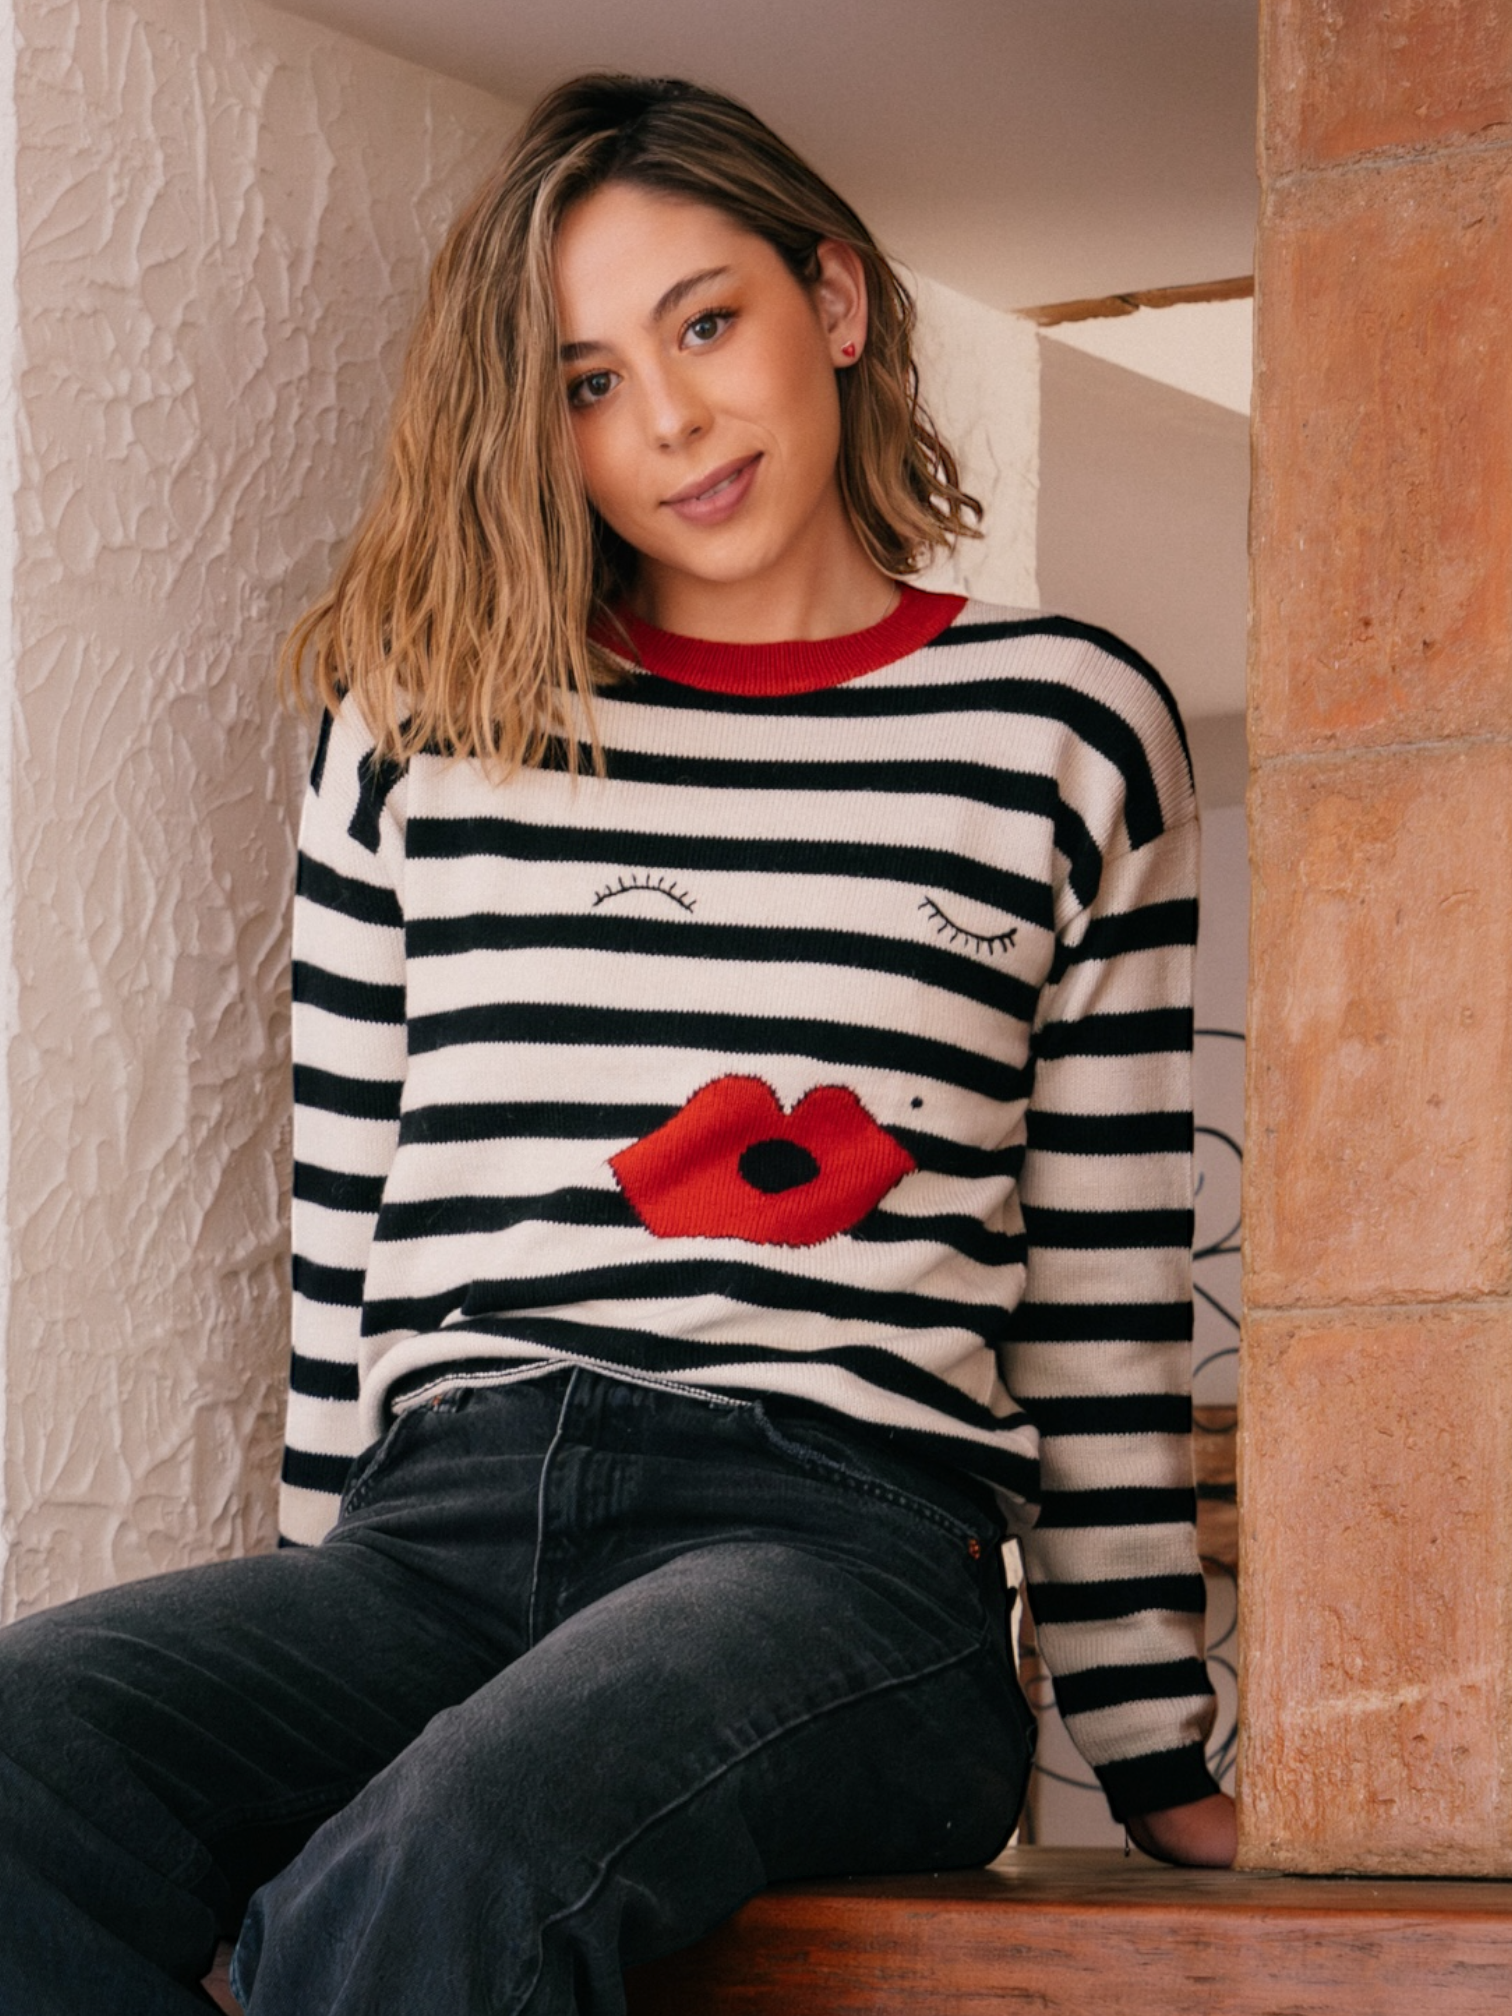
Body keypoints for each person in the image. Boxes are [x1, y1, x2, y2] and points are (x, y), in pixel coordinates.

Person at [0, 71, 1235, 2016]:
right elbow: (350, 1217)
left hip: (838, 1557)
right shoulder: (421, 720)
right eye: (585, 381)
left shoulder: (1064, 729)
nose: (667, 423)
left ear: (833, 300)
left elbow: (1102, 1293)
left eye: (707, 325)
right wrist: (312, 1626)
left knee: (459, 1851)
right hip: (435, 1538)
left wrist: (1160, 1763)